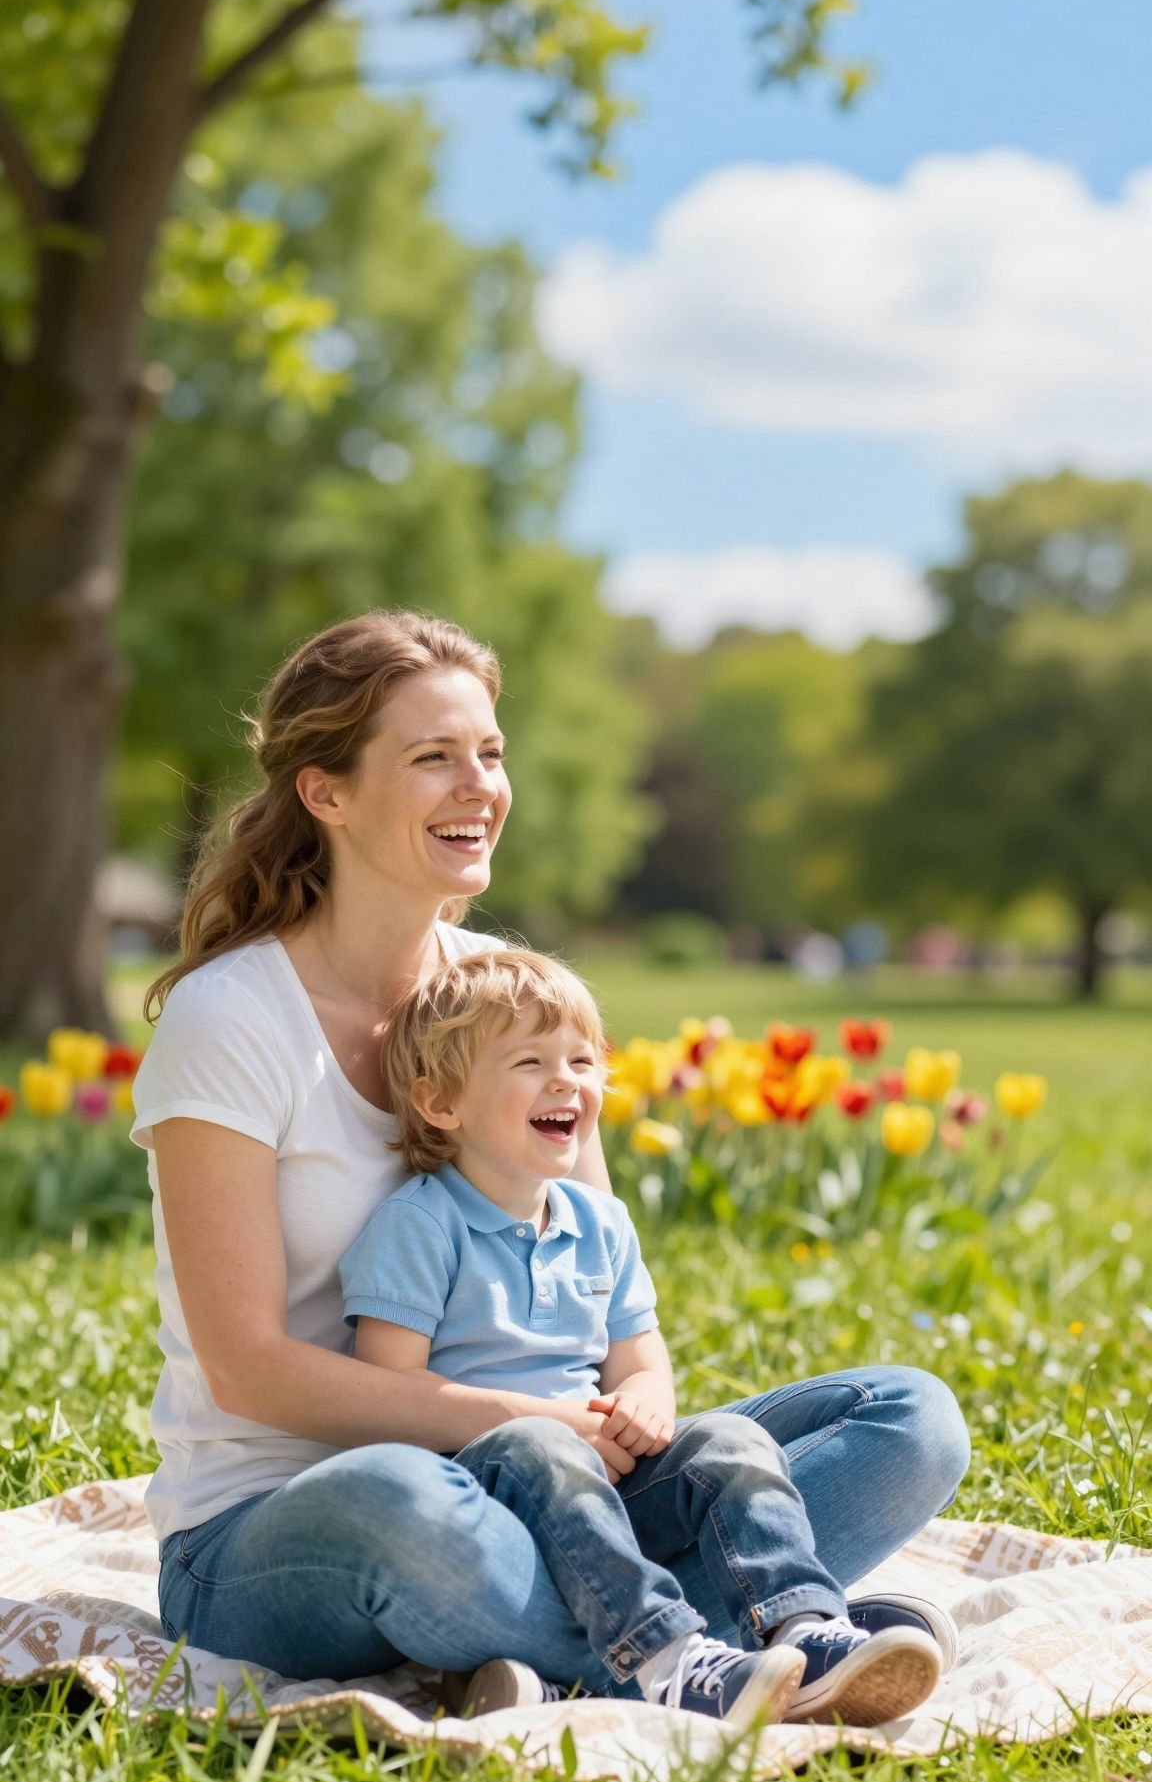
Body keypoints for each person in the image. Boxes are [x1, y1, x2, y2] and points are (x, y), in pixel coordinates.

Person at [136, 608, 971, 1705]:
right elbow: (248, 1364)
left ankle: (685, 1638)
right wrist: (515, 1420)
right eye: (433, 756)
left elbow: (596, 1274)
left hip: (560, 1483)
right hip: (295, 1518)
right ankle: (715, 1644)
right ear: (325, 790)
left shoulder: (513, 997)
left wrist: (633, 1403)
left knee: (910, 1418)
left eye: (489, 752)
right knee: (409, 1506)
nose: (478, 784)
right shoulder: (233, 1016)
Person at [340, 946, 946, 1728]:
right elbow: (388, 1394)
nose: (567, 1081)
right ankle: (669, 1661)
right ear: (439, 1102)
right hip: (484, 1495)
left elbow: (639, 1360)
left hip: (607, 1476)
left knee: (726, 1439)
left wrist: (643, 1404)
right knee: (544, 1448)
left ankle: (804, 1629)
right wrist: (551, 1423)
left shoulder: (601, 1223)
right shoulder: (421, 1225)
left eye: (583, 1060)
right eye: (529, 1061)